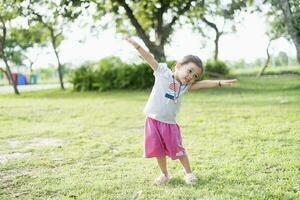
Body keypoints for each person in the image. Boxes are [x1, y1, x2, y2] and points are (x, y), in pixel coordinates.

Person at [125, 37, 237, 185]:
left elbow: (202, 84)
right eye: (189, 71)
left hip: (169, 124)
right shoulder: (162, 72)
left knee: (178, 150)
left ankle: (188, 173)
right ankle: (165, 175)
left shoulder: (185, 86)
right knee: (158, 151)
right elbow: (150, 59)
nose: (191, 76)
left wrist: (219, 83)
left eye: (195, 75)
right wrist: (137, 46)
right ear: (178, 66)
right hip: (152, 121)